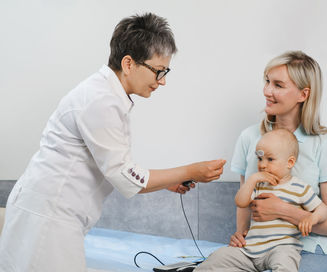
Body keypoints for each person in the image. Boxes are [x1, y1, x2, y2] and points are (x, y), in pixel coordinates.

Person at [0, 13, 225, 272]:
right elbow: (127, 178)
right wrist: (191, 171)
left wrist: (169, 181)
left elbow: (119, 168)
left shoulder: (108, 97)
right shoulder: (100, 101)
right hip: (48, 219)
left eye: (166, 71)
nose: (162, 80)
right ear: (128, 63)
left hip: (51, 214)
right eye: (158, 71)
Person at [228, 51, 327, 272]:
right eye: (267, 82)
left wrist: (284, 211)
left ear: (303, 94)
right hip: (260, 249)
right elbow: (245, 203)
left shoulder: (324, 142)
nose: (267, 91)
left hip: (311, 248)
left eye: (278, 85)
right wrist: (240, 234)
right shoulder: (249, 138)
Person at [194, 129, 327, 272]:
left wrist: (313, 218)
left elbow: (323, 209)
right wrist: (252, 179)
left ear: (289, 162)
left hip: (281, 247)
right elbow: (240, 202)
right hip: (250, 250)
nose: (262, 165)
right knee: (218, 257)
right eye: (260, 159)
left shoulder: (299, 187)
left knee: (286, 262)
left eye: (270, 159)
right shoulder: (258, 185)